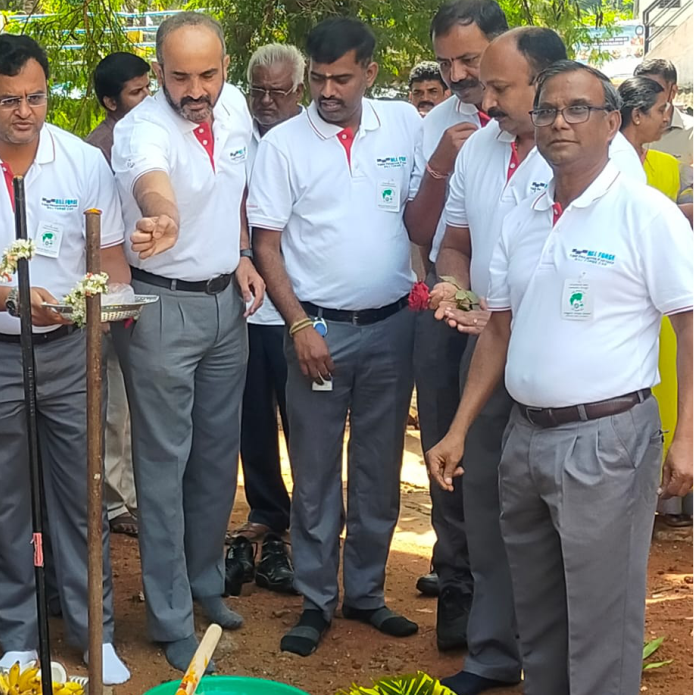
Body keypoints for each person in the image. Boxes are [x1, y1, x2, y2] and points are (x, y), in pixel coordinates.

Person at [428, 60, 694, 696]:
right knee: (540, 614)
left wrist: (686, 436)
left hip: (606, 441)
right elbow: (497, 328)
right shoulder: (522, 215)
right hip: (524, 437)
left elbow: (690, 327)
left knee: (601, 622)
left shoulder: (645, 214)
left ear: (611, 122)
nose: (559, 123)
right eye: (547, 110)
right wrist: (459, 429)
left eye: (579, 109)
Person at [0, 33, 131, 684]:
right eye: (8, 100)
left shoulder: (80, 163)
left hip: (70, 351)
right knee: (2, 497)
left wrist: (103, 311)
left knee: (80, 496)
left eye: (36, 97)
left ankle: (96, 635)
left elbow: (112, 263)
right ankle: (16, 634)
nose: (24, 112)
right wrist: (15, 301)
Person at [248, 17, 422, 658]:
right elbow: (267, 244)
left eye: (340, 78)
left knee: (377, 471)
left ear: (370, 73)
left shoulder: (403, 124)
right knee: (316, 473)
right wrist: (297, 324)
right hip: (316, 331)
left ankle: (368, 596)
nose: (327, 90)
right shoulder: (284, 145)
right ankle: (317, 602)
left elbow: (417, 216)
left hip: (392, 326)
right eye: (318, 78)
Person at [109, 11, 263, 672]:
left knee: (213, 457)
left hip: (227, 303)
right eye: (179, 77)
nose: (194, 90)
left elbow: (233, 194)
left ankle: (206, 584)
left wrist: (243, 252)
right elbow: (153, 185)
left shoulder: (232, 108)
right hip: (162, 307)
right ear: (157, 72)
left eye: (206, 74)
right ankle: (170, 614)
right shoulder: (140, 128)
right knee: (163, 466)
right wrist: (160, 218)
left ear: (225, 67)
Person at [400, 0, 508, 638]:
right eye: (448, 62)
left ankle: (515, 601)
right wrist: (442, 155)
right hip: (447, 304)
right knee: (449, 444)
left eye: (470, 59)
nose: (460, 73)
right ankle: (458, 586)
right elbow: (420, 226)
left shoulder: (541, 115)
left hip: (528, 316)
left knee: (509, 459)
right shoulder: (438, 121)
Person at [232, 42, 305, 594]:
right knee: (251, 418)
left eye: (278, 91)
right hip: (243, 310)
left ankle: (313, 518)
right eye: (258, 89)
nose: (265, 100)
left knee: (305, 423)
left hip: (300, 308)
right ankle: (267, 510)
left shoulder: (310, 142)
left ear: (298, 91)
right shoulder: (236, 140)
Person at [618, 76, 694, 528]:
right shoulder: (609, 166)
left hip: (669, 294)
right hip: (632, 299)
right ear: (637, 115)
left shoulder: (664, 163)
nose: (669, 116)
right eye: (662, 108)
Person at [87, 50, 152, 538]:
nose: (147, 98)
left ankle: (133, 493)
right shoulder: (97, 152)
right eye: (136, 93)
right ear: (110, 101)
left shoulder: (157, 134)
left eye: (149, 88)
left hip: (146, 289)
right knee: (110, 402)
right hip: (111, 292)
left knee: (137, 401)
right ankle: (113, 502)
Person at [635, 58, 694, 165]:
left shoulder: (691, 133)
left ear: (673, 91)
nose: (647, 95)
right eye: (641, 88)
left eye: (655, 89)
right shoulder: (623, 129)